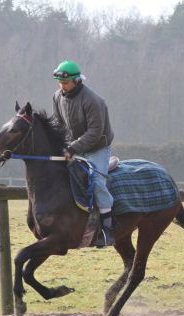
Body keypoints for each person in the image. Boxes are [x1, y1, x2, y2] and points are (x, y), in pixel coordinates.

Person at [52, 60, 114, 247]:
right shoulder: (57, 96)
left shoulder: (92, 100)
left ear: (76, 80)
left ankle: (108, 229)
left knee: (96, 183)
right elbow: (58, 124)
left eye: (65, 82)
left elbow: (95, 133)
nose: (62, 86)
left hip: (97, 148)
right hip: (74, 146)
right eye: (60, 83)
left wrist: (72, 148)